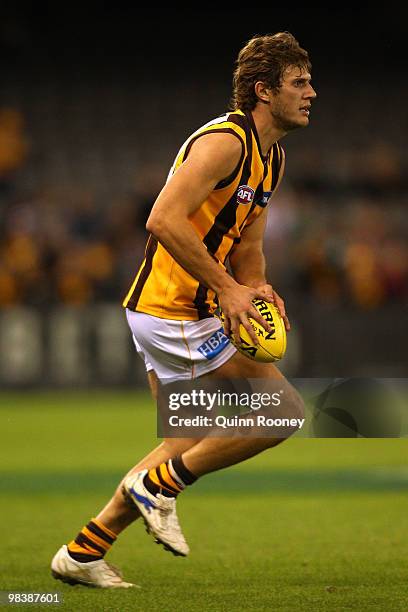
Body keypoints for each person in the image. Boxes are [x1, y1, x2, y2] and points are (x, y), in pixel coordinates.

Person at [51, 31, 316, 588]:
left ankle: (81, 553)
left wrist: (257, 285)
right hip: (177, 310)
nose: (311, 92)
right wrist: (226, 289)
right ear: (264, 91)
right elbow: (162, 219)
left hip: (172, 310)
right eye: (300, 82)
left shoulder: (273, 157)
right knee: (280, 413)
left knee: (182, 442)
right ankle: (160, 488)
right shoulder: (225, 142)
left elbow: (248, 245)